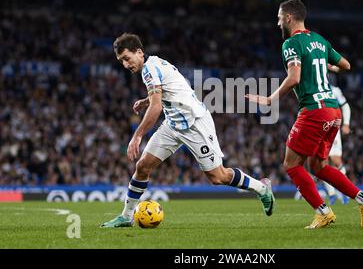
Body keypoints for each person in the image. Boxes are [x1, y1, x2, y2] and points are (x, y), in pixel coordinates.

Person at [101, 33, 275, 228]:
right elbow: (173, 90)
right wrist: (146, 100)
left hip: (195, 123)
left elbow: (157, 106)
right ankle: (126, 216)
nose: (125, 65)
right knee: (143, 167)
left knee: (218, 177)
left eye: (126, 58)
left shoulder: (150, 69)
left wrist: (137, 135)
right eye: (121, 61)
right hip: (173, 124)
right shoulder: (154, 64)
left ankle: (262, 188)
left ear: (139, 52)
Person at [246, 0, 363, 229]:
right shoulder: (319, 40)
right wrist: (325, 64)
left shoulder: (291, 43)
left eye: (279, 18)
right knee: (319, 166)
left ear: (288, 17)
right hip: (333, 110)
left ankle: (323, 212)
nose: (277, 23)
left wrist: (269, 99)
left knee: (291, 164)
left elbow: (294, 78)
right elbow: (346, 65)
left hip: (314, 111)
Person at [324, 84, 352, 205]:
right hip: (317, 129)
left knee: (336, 161)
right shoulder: (311, 87)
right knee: (321, 163)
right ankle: (332, 194)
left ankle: (345, 192)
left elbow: (345, 105)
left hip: (332, 129)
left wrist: (346, 124)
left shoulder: (334, 90)